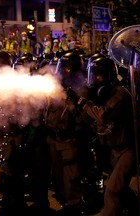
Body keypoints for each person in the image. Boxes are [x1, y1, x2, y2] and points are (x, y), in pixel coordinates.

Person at [67, 56, 136, 216]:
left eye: (98, 74)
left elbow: (102, 115)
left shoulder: (120, 94)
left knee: (113, 191)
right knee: (119, 189)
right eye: (93, 74)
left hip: (126, 150)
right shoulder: (102, 93)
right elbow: (91, 122)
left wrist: (82, 102)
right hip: (112, 150)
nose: (95, 78)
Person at [44, 52, 88, 215]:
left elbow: (83, 117)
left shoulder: (80, 89)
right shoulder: (55, 86)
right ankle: (68, 204)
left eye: (65, 67)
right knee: (59, 177)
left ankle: (75, 206)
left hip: (69, 140)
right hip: (54, 139)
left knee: (71, 177)